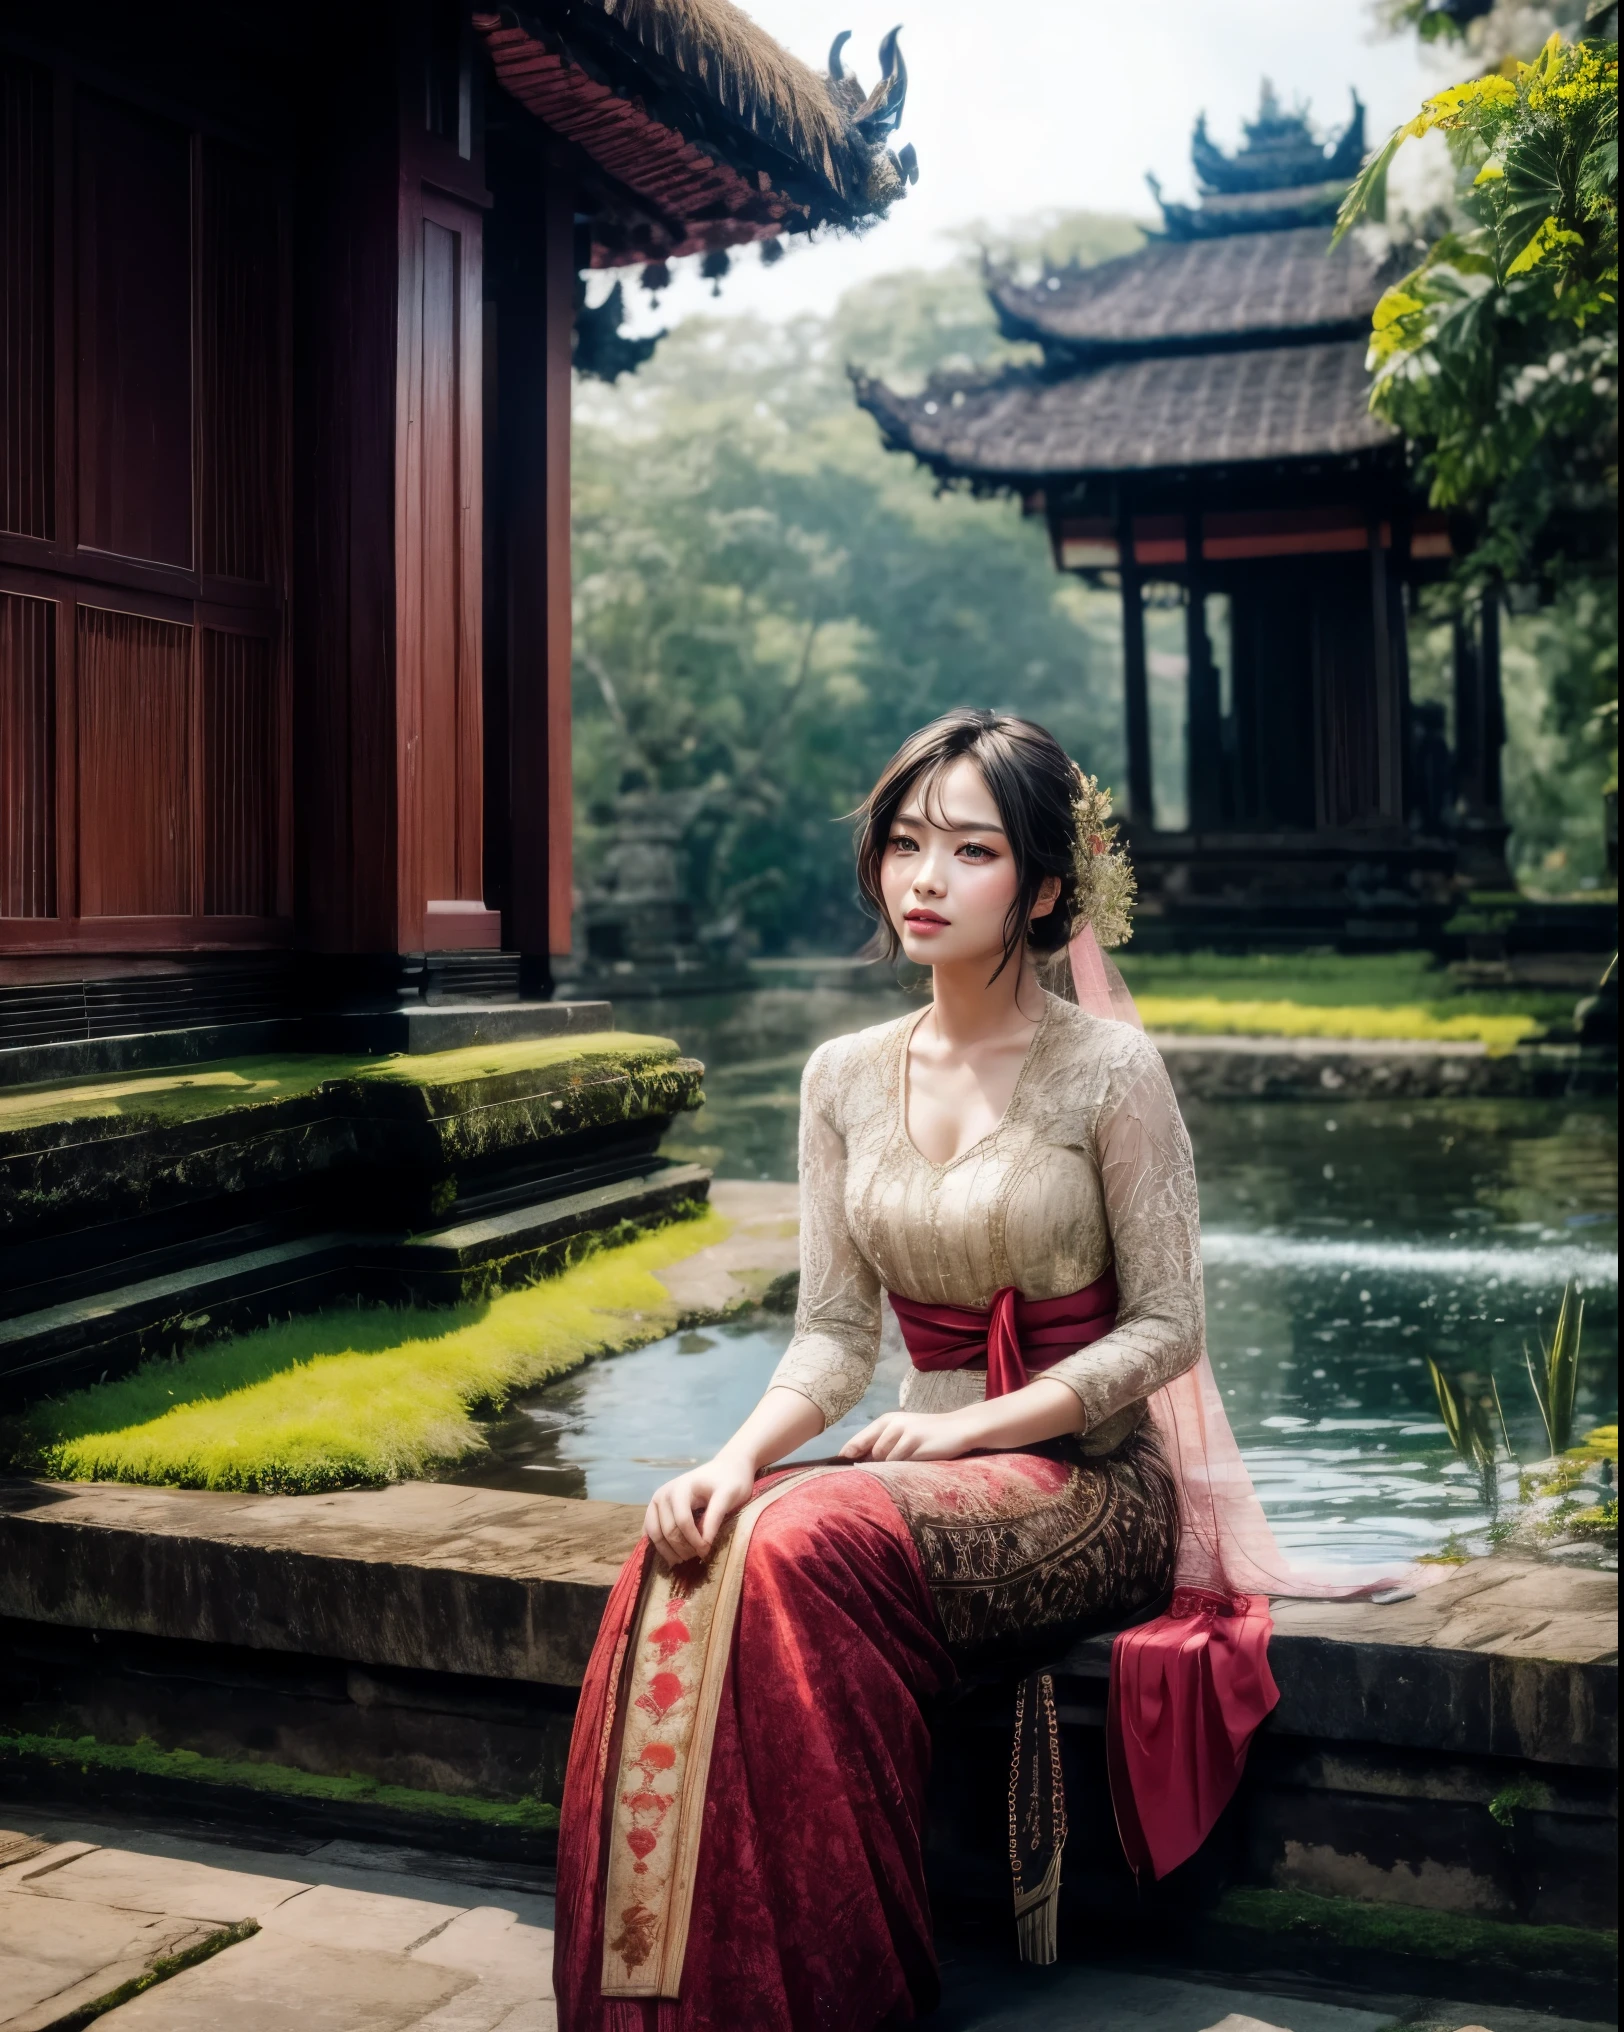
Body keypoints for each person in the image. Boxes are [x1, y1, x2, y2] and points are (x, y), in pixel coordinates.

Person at [555, 711, 1227, 2031]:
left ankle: (841, 1995)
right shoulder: (841, 1077)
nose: (924, 878)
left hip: (1088, 1479)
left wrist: (989, 1430)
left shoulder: (1110, 1071)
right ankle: (676, 2000)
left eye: (969, 851)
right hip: (918, 1473)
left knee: (803, 1548)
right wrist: (730, 1459)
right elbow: (831, 1340)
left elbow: (1168, 1328)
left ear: (1040, 889)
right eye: (906, 844)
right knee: (683, 1548)